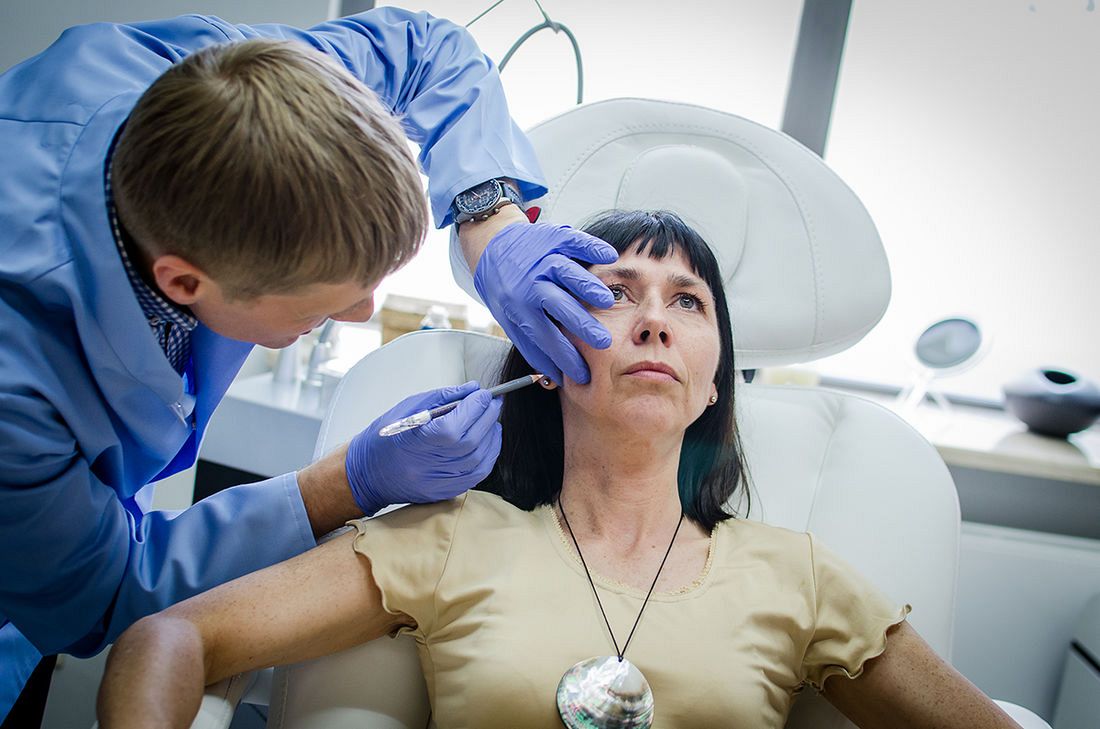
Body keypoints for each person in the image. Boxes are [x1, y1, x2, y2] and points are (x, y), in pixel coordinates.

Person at [97, 211, 1023, 729]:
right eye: (614, 295)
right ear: (547, 355)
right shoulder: (451, 538)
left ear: (712, 387)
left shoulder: (803, 576)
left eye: (687, 302)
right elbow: (170, 639)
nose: (654, 320)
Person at [0, 8, 623, 726]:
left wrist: (491, 214)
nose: (363, 313)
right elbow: (102, 592)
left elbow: (432, 53)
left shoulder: (237, 90)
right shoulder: (18, 388)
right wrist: (345, 482)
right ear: (183, 283)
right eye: (323, 308)